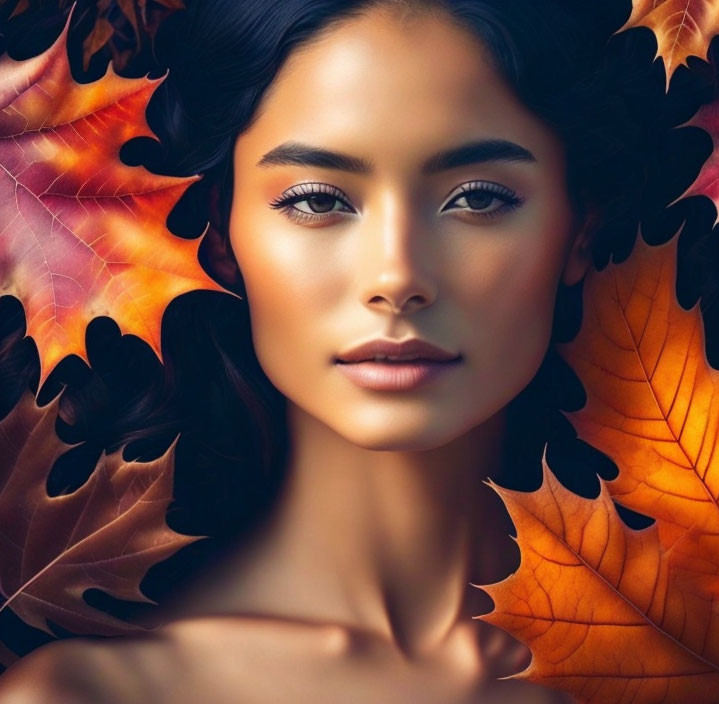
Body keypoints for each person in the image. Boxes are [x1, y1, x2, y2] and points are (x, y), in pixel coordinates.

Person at [0, 0, 607, 701]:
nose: (397, 277)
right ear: (221, 237)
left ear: (580, 230)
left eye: (476, 198)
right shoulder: (91, 696)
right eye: (318, 200)